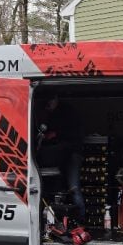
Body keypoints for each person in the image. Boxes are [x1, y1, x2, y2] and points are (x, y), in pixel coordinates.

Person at [37, 94, 85, 223]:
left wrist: (56, 134)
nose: (48, 108)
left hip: (71, 154)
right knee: (57, 190)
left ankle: (81, 222)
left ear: (55, 99)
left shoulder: (68, 113)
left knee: (74, 188)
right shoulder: (50, 114)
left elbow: (75, 133)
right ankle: (56, 222)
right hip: (57, 158)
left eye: (49, 104)